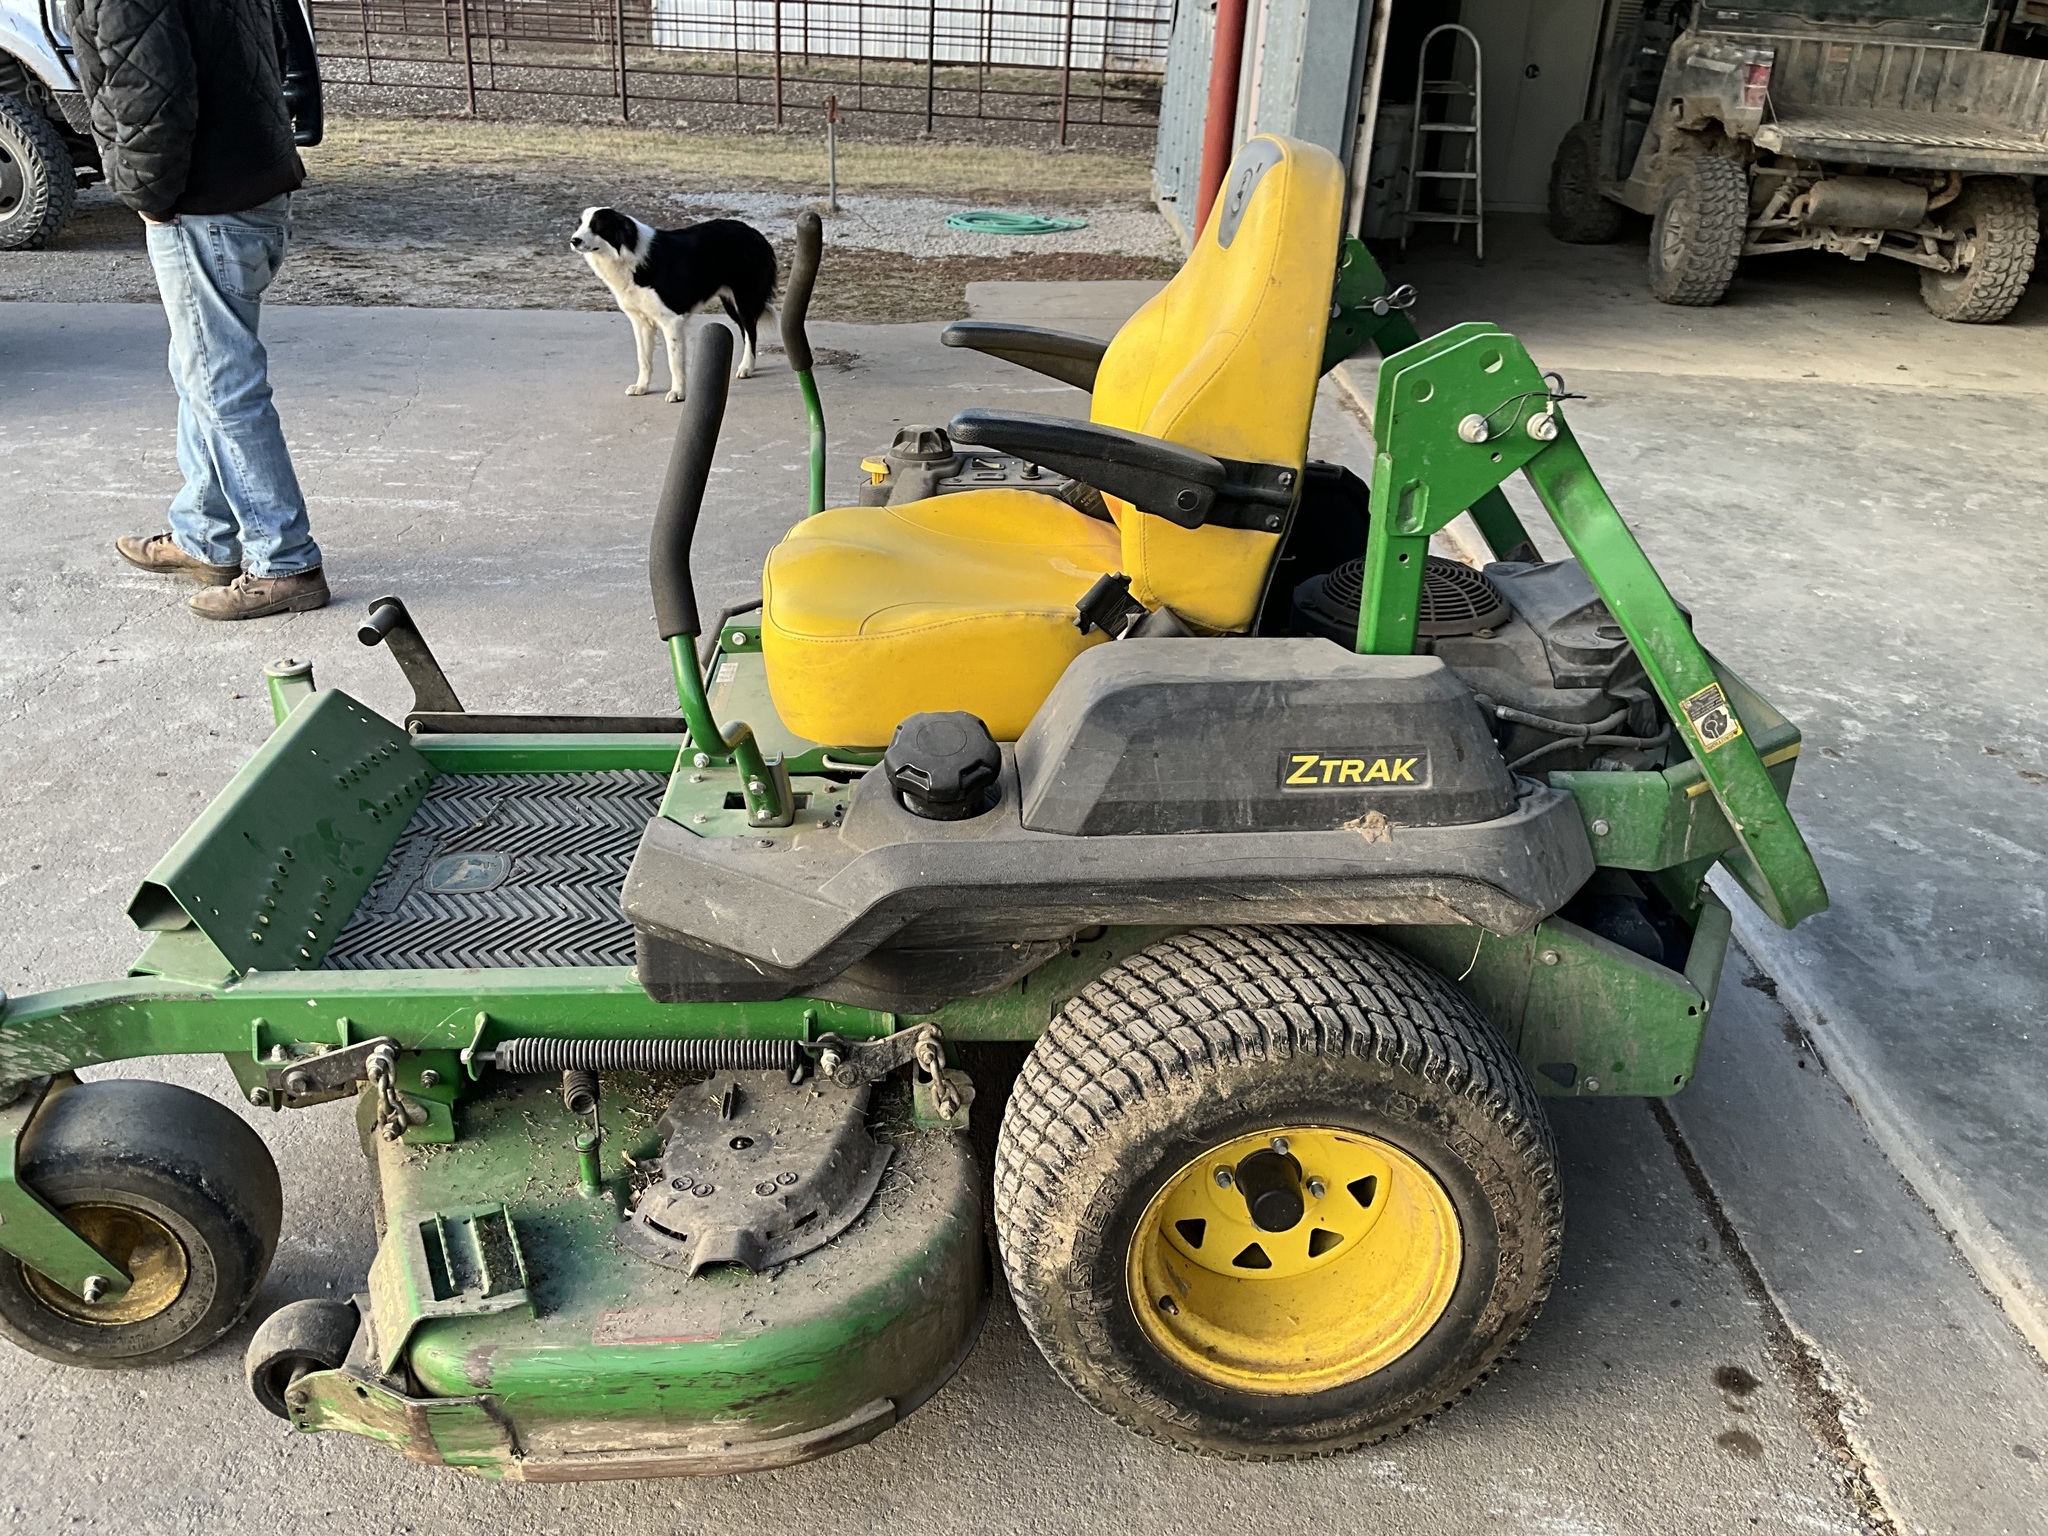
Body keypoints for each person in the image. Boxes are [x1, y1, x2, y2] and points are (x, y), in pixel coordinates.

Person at [73, 0, 328, 619]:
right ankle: (204, 534)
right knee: (200, 371)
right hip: (253, 182)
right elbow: (277, 41)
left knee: (222, 384)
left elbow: (145, 87)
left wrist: (149, 196)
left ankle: (286, 562)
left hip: (205, 201)